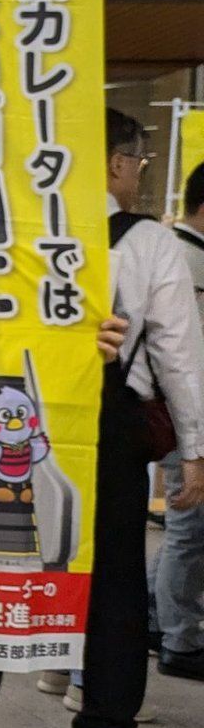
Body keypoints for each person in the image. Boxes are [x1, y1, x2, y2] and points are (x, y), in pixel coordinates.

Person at [0, 108, 204, 728]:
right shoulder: (150, 243)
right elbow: (179, 356)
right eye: (139, 162)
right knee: (113, 589)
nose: (138, 175)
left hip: (12, 425)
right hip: (106, 433)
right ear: (116, 163)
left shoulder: (17, 235)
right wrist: (194, 451)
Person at [154, 158, 204, 681]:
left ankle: (159, 616)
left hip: (174, 410)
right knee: (189, 526)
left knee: (186, 528)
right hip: (182, 411)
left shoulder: (173, 252)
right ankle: (179, 638)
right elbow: (183, 355)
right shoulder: (187, 261)